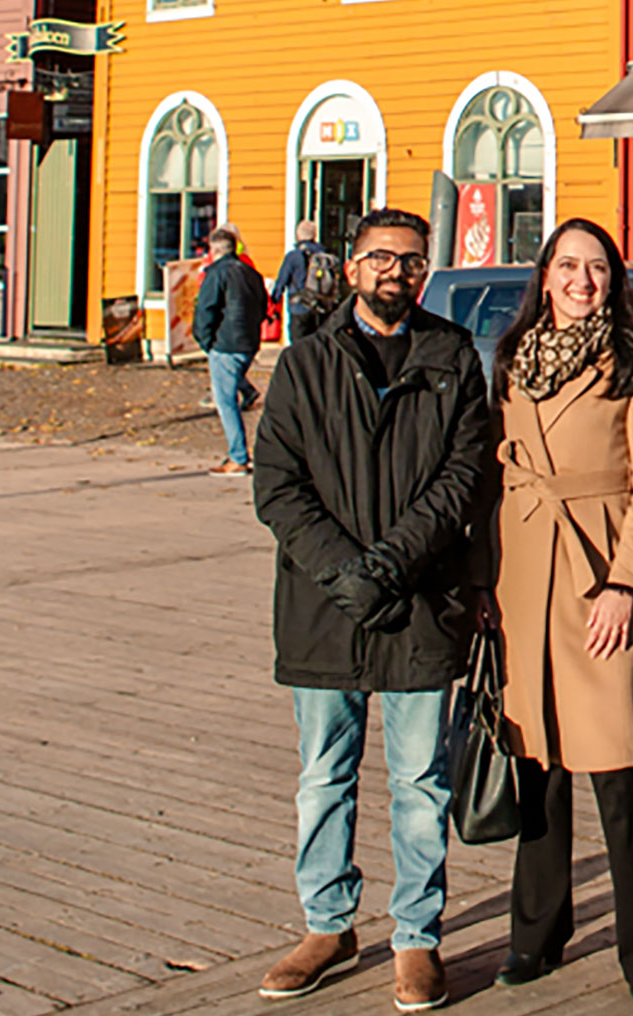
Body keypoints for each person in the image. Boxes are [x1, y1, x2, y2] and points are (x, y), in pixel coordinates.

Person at [250, 207, 492, 1012]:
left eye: (412, 260)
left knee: (421, 780)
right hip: (324, 603)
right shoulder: (306, 362)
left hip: (420, 598)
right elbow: (277, 483)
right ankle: (327, 924)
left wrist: (391, 563)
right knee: (324, 774)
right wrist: (344, 571)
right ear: (351, 268)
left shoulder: (451, 355)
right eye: (382, 257)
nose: (397, 271)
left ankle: (416, 936)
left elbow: (464, 474)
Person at [486, 218, 633, 1004]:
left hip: (598, 572)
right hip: (523, 572)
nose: (581, 281)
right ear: (545, 274)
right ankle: (536, 934)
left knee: (615, 764)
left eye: (596, 267)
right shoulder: (515, 356)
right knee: (537, 763)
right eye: (567, 266)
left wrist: (627, 583)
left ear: (614, 279)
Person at [192, 227, 267, 476]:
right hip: (248, 341)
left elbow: (206, 309)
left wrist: (205, 341)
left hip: (225, 343)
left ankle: (238, 457)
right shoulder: (251, 273)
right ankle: (247, 393)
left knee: (225, 401)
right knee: (232, 382)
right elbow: (262, 305)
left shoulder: (216, 273)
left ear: (213, 250)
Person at [274, 219, 345, 341]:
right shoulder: (325, 256)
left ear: (298, 235)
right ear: (315, 235)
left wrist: (274, 303)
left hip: (299, 307)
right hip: (322, 308)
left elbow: (281, 283)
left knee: (299, 345)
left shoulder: (293, 256)